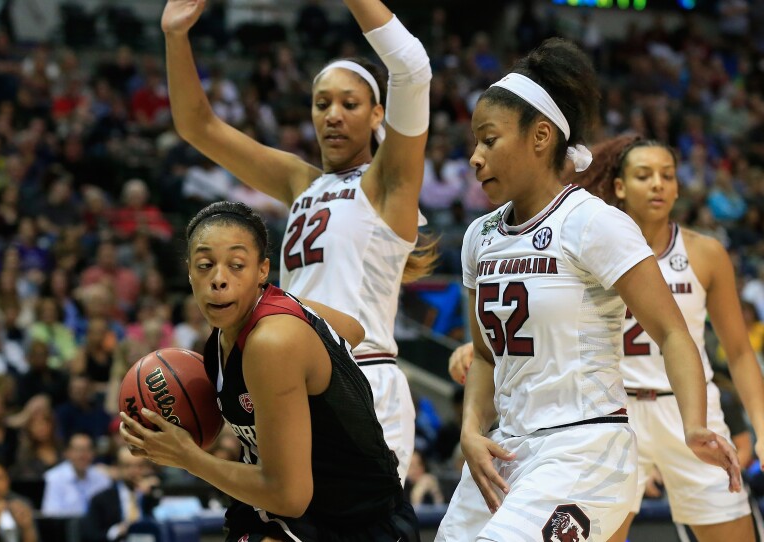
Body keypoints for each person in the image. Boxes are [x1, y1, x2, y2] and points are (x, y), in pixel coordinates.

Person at [434, 39, 741, 542]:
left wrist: (695, 424)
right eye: (475, 142)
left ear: (540, 136)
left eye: (489, 140)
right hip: (504, 452)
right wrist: (471, 430)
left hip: (584, 447)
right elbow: (487, 358)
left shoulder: (594, 223)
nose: (474, 157)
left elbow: (672, 331)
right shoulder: (478, 236)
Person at [159, 0, 435, 482]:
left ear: (377, 115)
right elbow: (197, 127)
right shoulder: (301, 182)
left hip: (363, 373)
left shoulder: (389, 182)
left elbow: (412, 72)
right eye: (321, 103)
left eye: (349, 104)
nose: (332, 115)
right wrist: (175, 36)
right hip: (296, 376)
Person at [120, 202, 419, 541]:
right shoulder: (230, 330)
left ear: (262, 271)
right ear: (189, 272)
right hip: (284, 511)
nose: (219, 280)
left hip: (352, 523)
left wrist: (187, 457)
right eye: (205, 265)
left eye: (236, 266)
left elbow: (289, 497)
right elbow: (352, 329)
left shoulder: (272, 342)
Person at [571, 135, 764, 542]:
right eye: (644, 175)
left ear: (678, 188)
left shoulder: (706, 253)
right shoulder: (588, 249)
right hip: (614, 414)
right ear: (620, 187)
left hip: (689, 410)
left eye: (667, 176)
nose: (658, 184)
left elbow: (740, 352)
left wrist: (762, 426)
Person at [80, 446, 161, 542]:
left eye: (139, 466)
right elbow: (90, 536)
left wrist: (153, 493)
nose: (134, 471)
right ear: (118, 468)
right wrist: (116, 531)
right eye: (127, 466)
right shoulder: (101, 499)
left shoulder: (151, 494)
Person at [40, 432, 111, 517]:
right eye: (77, 450)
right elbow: (50, 515)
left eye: (87, 450)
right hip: (64, 528)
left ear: (93, 453)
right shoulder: (53, 478)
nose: (82, 455)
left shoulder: (103, 479)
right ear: (67, 453)